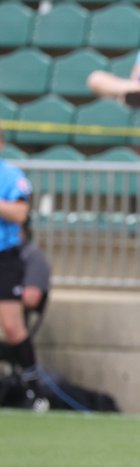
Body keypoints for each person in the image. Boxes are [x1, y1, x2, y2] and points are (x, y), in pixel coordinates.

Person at [0, 129, 45, 409]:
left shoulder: (11, 174)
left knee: (13, 326)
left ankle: (34, 392)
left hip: (5, 256)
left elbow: (19, 213)